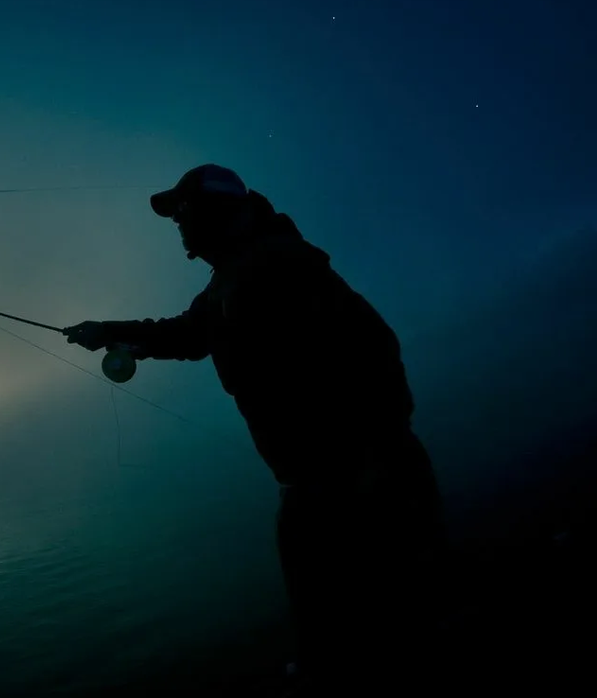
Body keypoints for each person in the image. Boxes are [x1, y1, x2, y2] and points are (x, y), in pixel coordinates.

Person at [64, 164, 448, 694]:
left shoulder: (275, 266)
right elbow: (190, 334)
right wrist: (108, 332)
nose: (176, 224)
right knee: (354, 626)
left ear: (211, 211)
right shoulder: (232, 277)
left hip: (358, 478)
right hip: (325, 481)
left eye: (182, 212)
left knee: (392, 626)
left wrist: (367, 459)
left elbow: (374, 349)